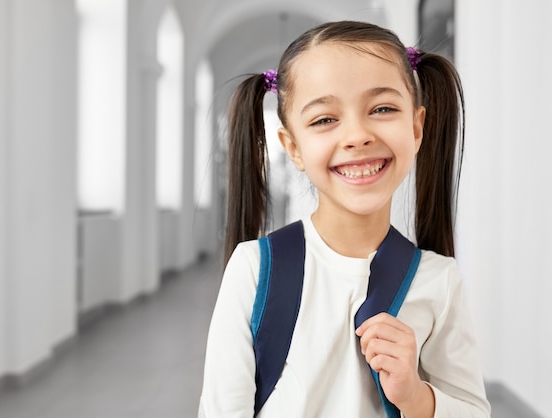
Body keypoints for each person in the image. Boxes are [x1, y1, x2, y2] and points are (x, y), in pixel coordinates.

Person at [199, 20, 491, 418]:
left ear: (417, 126)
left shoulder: (439, 280)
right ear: (294, 147)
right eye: (324, 119)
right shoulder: (254, 269)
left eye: (383, 109)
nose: (357, 135)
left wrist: (415, 396)